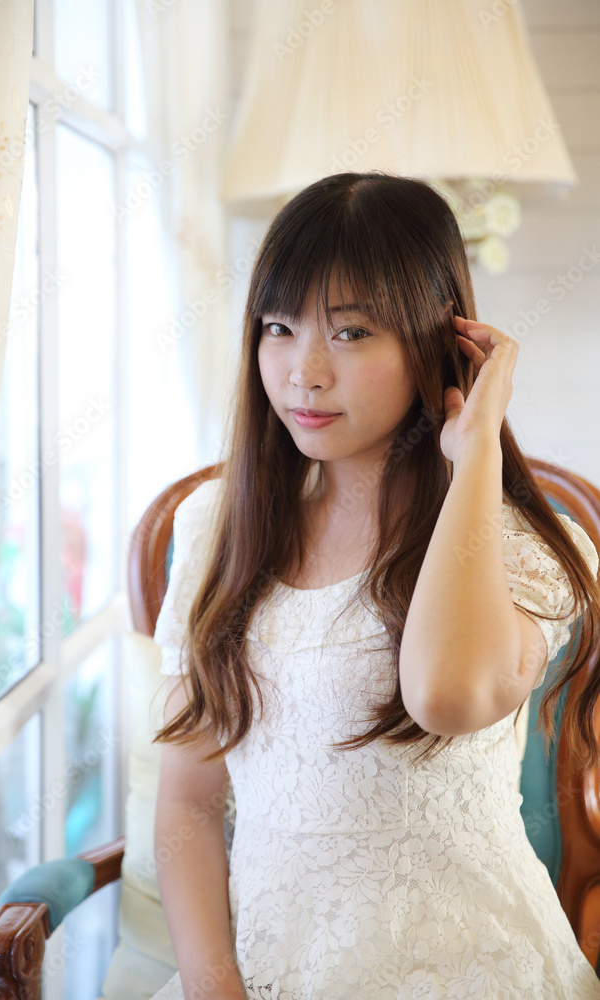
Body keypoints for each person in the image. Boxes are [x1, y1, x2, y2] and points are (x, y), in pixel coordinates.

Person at [148, 172, 600, 1000]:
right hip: (261, 972)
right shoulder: (217, 526)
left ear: (437, 342)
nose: (303, 372)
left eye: (350, 333)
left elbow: (446, 697)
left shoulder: (526, 544)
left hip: (469, 969)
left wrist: (475, 460)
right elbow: (187, 805)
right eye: (278, 328)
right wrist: (215, 990)